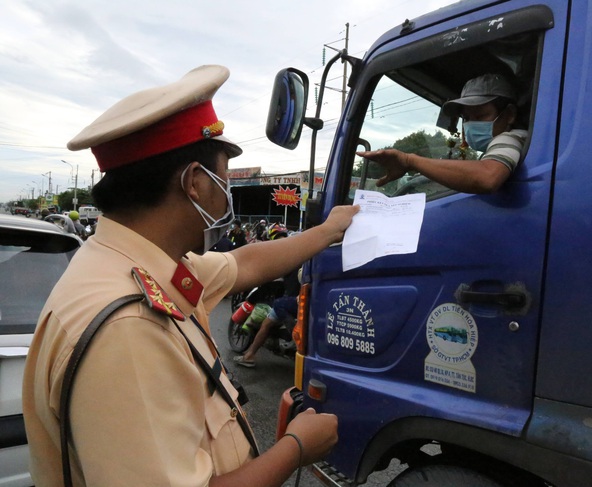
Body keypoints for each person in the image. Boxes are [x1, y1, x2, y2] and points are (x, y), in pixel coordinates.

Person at [22, 65, 359, 487]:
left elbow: (248, 263)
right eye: (223, 179)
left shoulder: (136, 264)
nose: (226, 197)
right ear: (196, 183)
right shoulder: (130, 327)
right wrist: (296, 447)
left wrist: (328, 231)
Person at [356, 73, 528, 194]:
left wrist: (410, 160)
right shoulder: (499, 147)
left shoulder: (511, 138)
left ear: (509, 115)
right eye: (466, 118)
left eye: (481, 115)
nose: (471, 124)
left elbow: (487, 177)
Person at [233, 224, 298, 368]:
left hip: (292, 299)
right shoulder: (295, 250)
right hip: (300, 295)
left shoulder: (278, 251)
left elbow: (266, 271)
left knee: (266, 323)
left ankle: (249, 356)